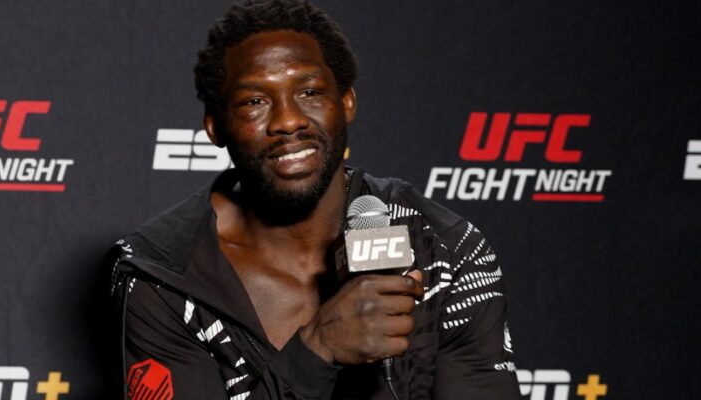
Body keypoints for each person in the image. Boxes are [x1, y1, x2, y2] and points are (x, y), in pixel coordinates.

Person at [109, 0, 520, 398]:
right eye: (255, 102)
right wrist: (317, 349)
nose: (289, 120)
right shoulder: (163, 274)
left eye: (309, 92)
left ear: (347, 102)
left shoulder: (443, 249)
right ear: (215, 127)